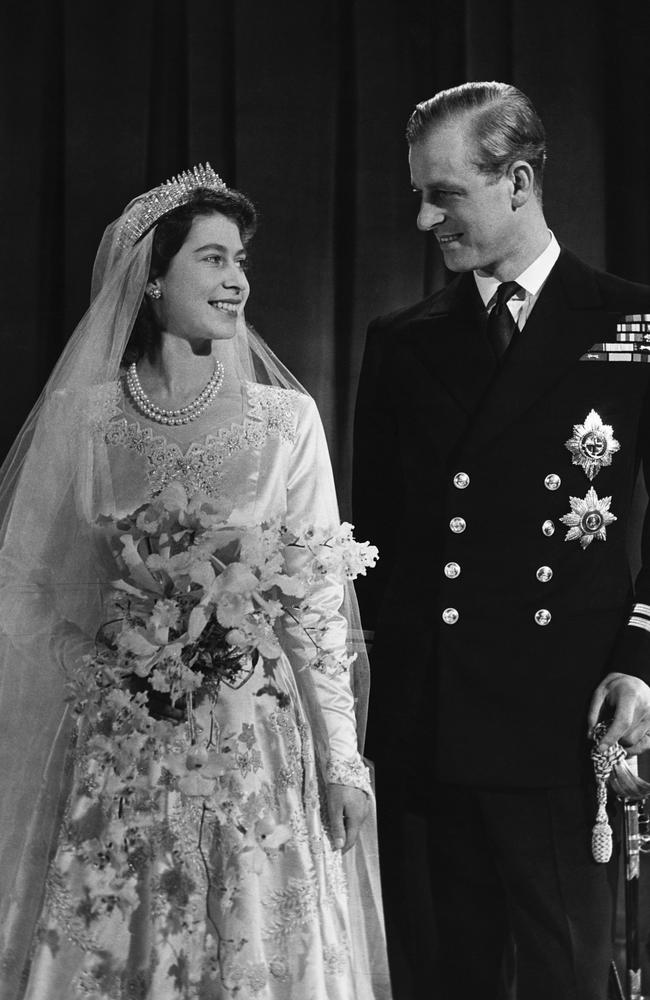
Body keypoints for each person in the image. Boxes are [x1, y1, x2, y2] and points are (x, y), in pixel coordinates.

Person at [0, 165, 391, 999]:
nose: (237, 279)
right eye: (212, 259)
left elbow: (319, 602)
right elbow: (19, 584)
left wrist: (342, 762)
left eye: (240, 259)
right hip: (124, 745)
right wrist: (97, 658)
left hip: (253, 746)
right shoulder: (83, 418)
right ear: (150, 279)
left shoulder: (286, 422)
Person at [352, 81, 650, 1000]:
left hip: (562, 721)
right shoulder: (403, 342)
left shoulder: (632, 324)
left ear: (518, 181)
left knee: (567, 974)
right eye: (419, 192)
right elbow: (379, 548)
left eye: (444, 194)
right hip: (430, 726)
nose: (422, 218)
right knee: (446, 978)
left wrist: (641, 658)